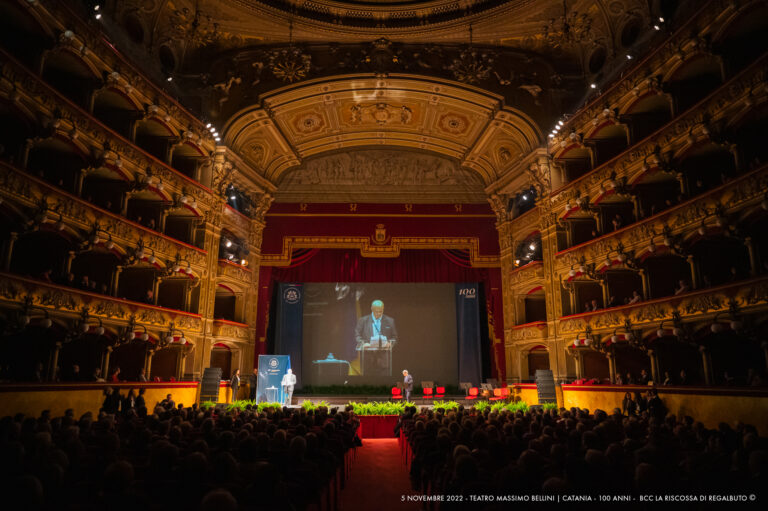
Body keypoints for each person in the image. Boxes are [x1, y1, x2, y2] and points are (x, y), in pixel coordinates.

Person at [355, 300, 398, 375]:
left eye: (380, 311)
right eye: (376, 311)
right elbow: (357, 335)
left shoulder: (390, 321)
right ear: (371, 309)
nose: (378, 314)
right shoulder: (363, 320)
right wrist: (363, 344)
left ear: (383, 309)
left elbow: (394, 338)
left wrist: (390, 343)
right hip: (367, 360)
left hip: (384, 361)